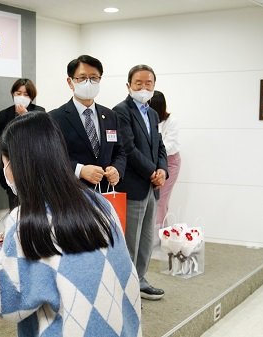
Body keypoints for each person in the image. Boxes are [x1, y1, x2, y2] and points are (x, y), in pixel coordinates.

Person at [0, 112, 142, 337]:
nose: (6, 172)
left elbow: (2, 301)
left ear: (18, 164)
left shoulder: (28, 222)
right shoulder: (101, 204)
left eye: (5, 164)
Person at [113, 64, 168, 301]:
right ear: (129, 85)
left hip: (151, 187)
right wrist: (151, 171)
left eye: (149, 84)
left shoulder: (153, 113)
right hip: (133, 185)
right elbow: (127, 147)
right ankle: (128, 285)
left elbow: (160, 146)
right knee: (130, 241)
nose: (144, 88)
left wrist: (162, 170)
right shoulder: (121, 111)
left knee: (146, 239)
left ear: (154, 86)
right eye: (139, 83)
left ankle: (141, 279)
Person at [50, 55, 126, 193]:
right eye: (82, 78)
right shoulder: (55, 118)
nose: (88, 82)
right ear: (70, 82)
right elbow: (51, 157)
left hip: (105, 193)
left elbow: (120, 151)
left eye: (94, 78)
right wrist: (80, 170)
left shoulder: (110, 116)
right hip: (72, 193)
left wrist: (117, 169)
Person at [0, 78, 45, 209]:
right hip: (11, 170)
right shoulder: (3, 115)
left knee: (36, 209)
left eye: (26, 94)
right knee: (15, 208)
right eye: (18, 93)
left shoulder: (39, 112)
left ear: (32, 97)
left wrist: (26, 116)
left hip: (35, 169)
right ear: (13, 94)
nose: (21, 97)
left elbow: (42, 139)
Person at [150, 91, 181, 234]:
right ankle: (163, 234)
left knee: (161, 199)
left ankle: (158, 234)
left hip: (170, 163)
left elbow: (170, 146)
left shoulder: (171, 121)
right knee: (154, 200)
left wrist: (152, 149)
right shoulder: (148, 119)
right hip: (152, 163)